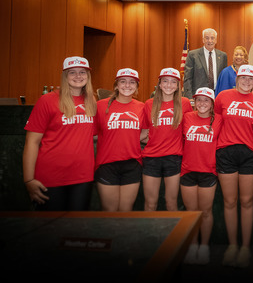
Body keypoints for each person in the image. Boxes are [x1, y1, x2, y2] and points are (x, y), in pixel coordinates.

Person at [23, 56, 97, 211]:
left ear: (88, 76)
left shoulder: (92, 101)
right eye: (72, 72)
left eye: (82, 72)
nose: (78, 76)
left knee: (77, 229)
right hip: (51, 177)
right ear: (65, 76)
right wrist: (28, 179)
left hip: (83, 177)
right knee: (50, 230)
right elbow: (32, 142)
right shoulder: (47, 100)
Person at [214, 64, 253, 268]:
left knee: (247, 201)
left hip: (250, 154)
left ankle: (245, 247)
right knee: (230, 201)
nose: (246, 81)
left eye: (250, 79)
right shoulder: (223, 97)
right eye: (243, 78)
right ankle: (232, 245)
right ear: (236, 79)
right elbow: (215, 122)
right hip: (225, 152)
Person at [94, 68, 145, 211]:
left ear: (136, 87)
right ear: (116, 85)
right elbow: (92, 133)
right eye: (123, 81)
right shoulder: (100, 106)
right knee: (109, 212)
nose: (127, 85)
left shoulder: (142, 107)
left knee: (126, 211)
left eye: (132, 82)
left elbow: (146, 132)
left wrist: (130, 139)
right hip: (107, 164)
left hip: (132, 164)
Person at [141, 68, 192, 211]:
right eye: (165, 81)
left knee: (171, 203)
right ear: (160, 84)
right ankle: (148, 233)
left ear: (178, 86)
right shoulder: (149, 104)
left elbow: (187, 132)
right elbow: (144, 134)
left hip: (174, 159)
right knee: (150, 204)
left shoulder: (185, 103)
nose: (169, 85)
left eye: (173, 82)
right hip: (151, 158)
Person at [181, 87, 220, 265]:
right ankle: (192, 245)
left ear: (212, 104)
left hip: (208, 172)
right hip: (188, 170)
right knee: (191, 212)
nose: (202, 103)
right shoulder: (187, 117)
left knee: (205, 212)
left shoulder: (219, 120)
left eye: (206, 100)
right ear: (194, 102)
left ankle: (204, 246)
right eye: (199, 100)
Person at [183, 28, 228, 97]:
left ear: (216, 40)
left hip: (217, 94)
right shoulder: (193, 55)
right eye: (207, 38)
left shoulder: (223, 56)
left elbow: (224, 77)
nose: (210, 41)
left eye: (212, 38)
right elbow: (187, 78)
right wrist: (189, 97)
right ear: (203, 40)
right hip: (199, 94)